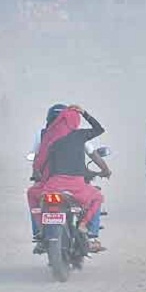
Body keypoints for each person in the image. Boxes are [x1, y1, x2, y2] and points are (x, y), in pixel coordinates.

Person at [27, 105, 109, 253]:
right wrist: (85, 113)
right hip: (77, 186)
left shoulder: (47, 136)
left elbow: (38, 161)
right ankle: (86, 229)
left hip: (52, 184)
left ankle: (40, 230)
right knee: (97, 198)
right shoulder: (79, 135)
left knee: (31, 193)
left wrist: (37, 173)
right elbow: (97, 140)